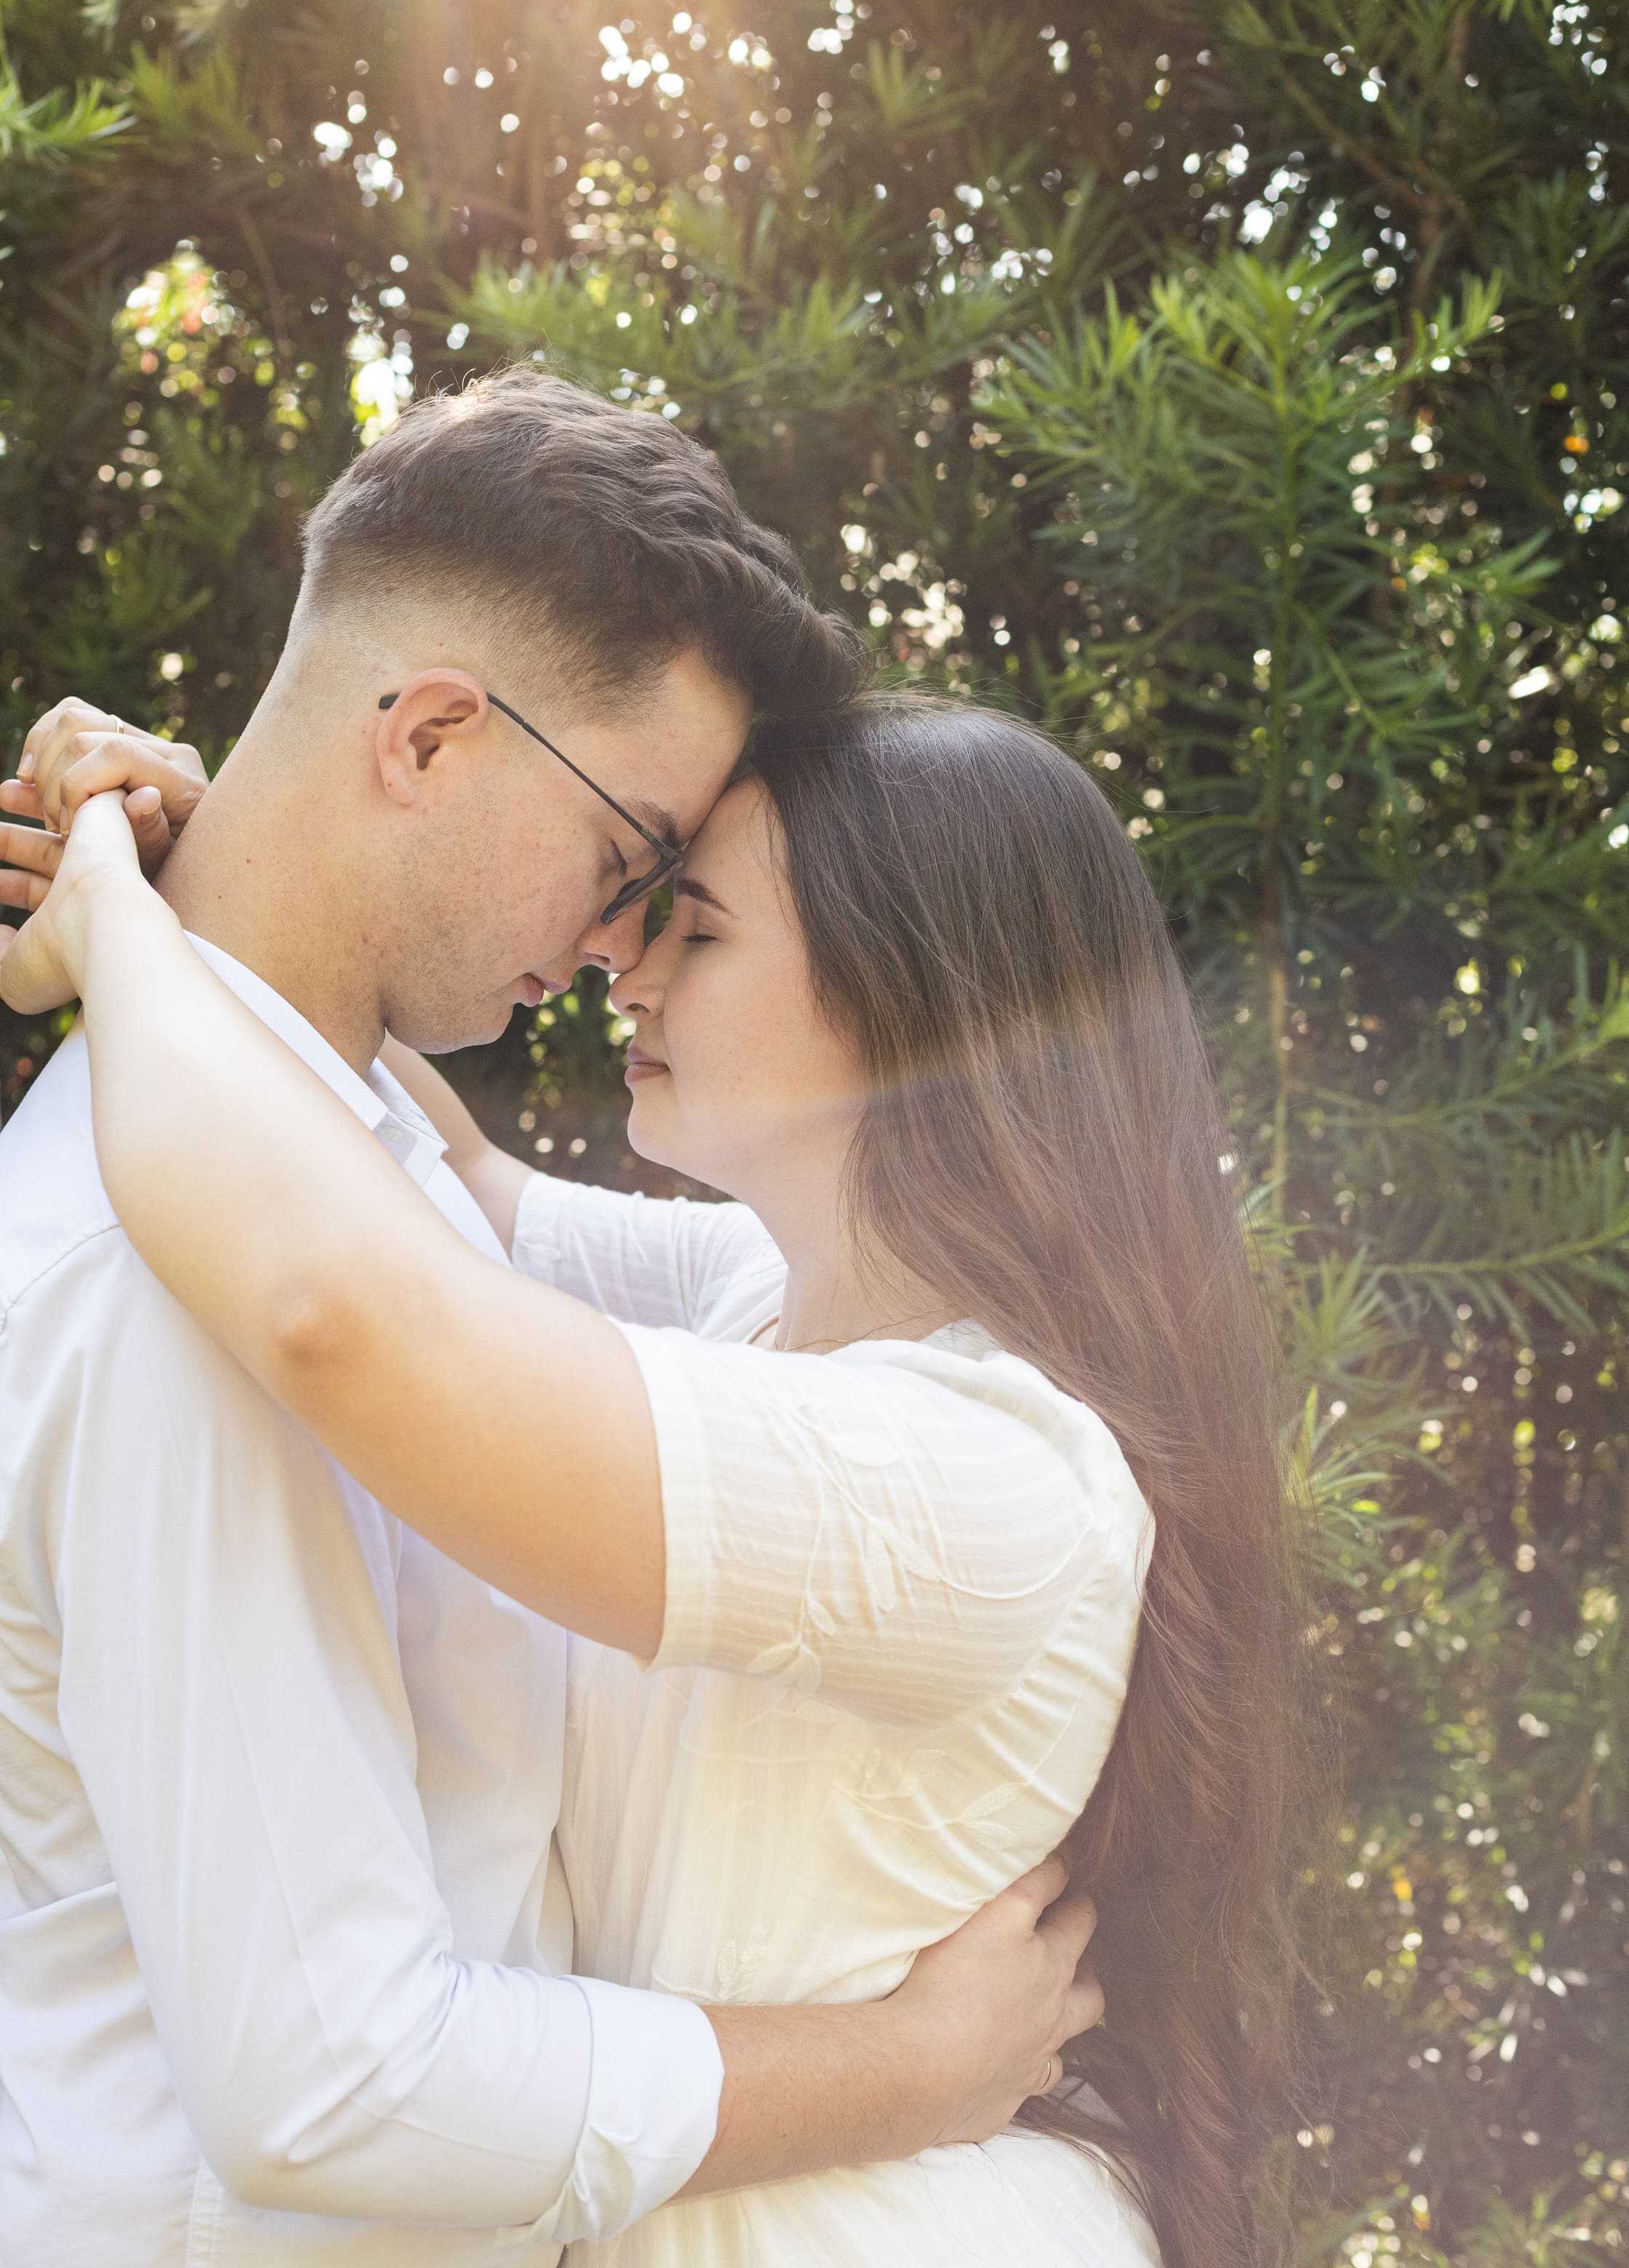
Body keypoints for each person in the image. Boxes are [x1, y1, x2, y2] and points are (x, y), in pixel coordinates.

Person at [0, 373, 1104, 2268]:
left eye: (676, 902)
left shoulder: (349, 1174)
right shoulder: (186, 1260)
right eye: (627, 855)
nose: (615, 944)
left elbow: (430, 1179)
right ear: (432, 735)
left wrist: (149, 878)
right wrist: (907, 2071)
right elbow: (337, 2079)